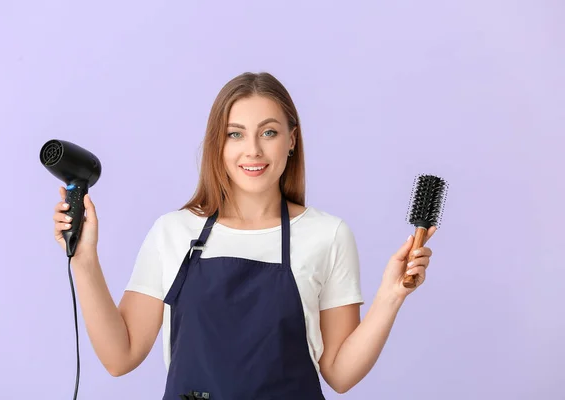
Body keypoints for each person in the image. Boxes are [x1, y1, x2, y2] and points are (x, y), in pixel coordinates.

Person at [52, 72, 435, 399]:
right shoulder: (173, 231)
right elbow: (120, 357)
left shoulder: (327, 234)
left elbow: (339, 374)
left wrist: (390, 296)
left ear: (291, 139)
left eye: (268, 132)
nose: (252, 150)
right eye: (235, 134)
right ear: (218, 143)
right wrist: (84, 260)